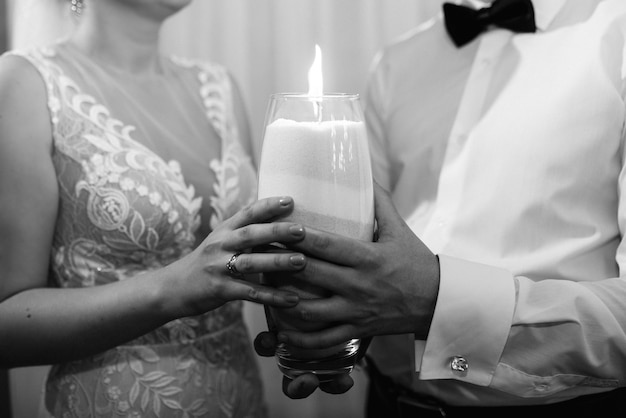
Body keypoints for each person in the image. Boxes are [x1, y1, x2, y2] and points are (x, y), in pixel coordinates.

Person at [256, 0, 626, 415]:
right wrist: (327, 315)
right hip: (387, 400)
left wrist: (435, 299)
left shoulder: (618, 34)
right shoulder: (399, 62)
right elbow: (365, 232)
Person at [0, 1, 311, 417]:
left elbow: (249, 258)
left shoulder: (218, 87)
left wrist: (305, 322)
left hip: (238, 393)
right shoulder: (24, 84)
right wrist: (173, 289)